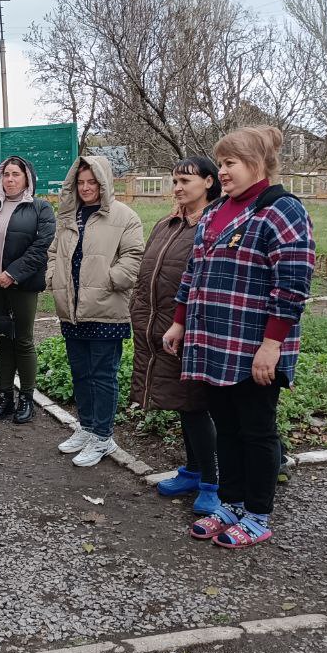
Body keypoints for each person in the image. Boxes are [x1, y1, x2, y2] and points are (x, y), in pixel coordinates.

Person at [164, 126, 314, 548]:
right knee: (226, 427)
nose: (223, 171)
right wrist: (179, 320)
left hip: (253, 347)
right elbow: (194, 272)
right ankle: (229, 503)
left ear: (258, 164)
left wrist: (272, 344)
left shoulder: (281, 210)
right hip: (213, 343)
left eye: (230, 163)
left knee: (256, 429)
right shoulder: (217, 211)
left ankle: (258, 512)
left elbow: (293, 283)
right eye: (223, 163)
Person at [130, 156, 222, 514]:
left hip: (195, 330)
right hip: (161, 327)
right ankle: (193, 470)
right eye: (175, 181)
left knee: (197, 407)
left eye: (186, 180)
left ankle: (213, 483)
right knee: (183, 405)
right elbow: (147, 276)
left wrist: (186, 324)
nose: (178, 188)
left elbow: (207, 283)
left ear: (209, 183)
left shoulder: (213, 226)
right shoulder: (167, 225)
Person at [45, 155, 144, 467]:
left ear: (104, 183)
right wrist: (53, 277)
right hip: (72, 309)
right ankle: (86, 427)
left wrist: (111, 280)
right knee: (81, 373)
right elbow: (53, 252)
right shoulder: (68, 216)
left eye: (93, 182)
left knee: (103, 375)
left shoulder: (124, 216)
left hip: (106, 309)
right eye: (81, 182)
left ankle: (103, 436)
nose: (86, 188)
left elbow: (134, 255)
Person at [0, 156, 56, 424]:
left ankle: (26, 398)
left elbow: (41, 248)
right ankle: (5, 397)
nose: (10, 179)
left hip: (22, 286)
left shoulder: (41, 209)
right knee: (3, 340)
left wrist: (12, 274)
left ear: (27, 178)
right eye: (6, 174)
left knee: (23, 340)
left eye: (16, 174)